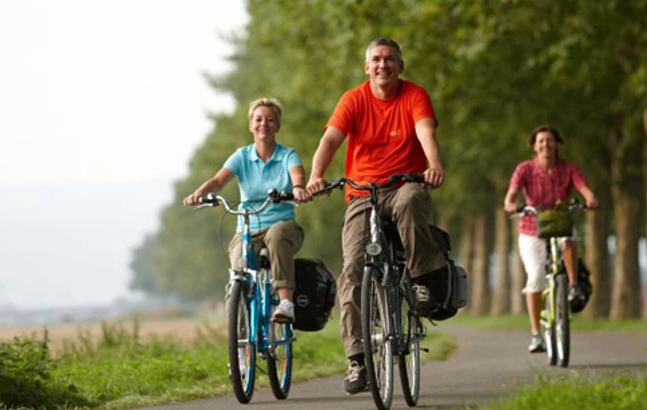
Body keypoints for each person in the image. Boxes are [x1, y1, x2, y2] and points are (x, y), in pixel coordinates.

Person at [305, 37, 448, 395]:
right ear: (367, 67)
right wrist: (315, 176)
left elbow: (424, 130)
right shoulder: (353, 99)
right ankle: (357, 360)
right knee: (352, 269)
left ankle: (420, 279)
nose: (383, 65)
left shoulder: (414, 95)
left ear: (400, 66)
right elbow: (330, 140)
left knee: (413, 199)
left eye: (389, 59)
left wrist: (433, 164)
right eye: (376, 60)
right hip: (361, 192)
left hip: (404, 185)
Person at [183, 97, 310, 323]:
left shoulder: (287, 155)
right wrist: (199, 193)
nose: (264, 124)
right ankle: (239, 335)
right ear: (251, 125)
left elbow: (297, 173)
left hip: (282, 225)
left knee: (278, 235)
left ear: (277, 126)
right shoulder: (242, 156)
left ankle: (285, 303)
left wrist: (298, 188)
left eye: (270, 120)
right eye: (258, 119)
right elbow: (218, 180)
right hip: (248, 228)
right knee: (237, 271)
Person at [503, 125, 598, 354]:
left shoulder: (568, 169)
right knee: (535, 276)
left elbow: (584, 189)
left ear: (557, 144)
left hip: (560, 223)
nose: (546, 144)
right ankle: (536, 334)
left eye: (550, 140)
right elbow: (510, 198)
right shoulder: (524, 169)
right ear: (534, 146)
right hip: (531, 228)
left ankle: (573, 286)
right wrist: (512, 206)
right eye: (541, 141)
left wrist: (590, 199)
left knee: (569, 240)